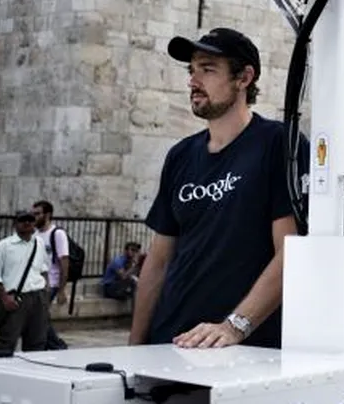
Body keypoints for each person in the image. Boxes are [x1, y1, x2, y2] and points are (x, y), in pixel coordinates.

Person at [129, 27, 309, 350]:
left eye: (208, 69)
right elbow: (157, 262)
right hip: (168, 343)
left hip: (238, 352)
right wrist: (135, 348)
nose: (193, 81)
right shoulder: (180, 156)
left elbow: (291, 253)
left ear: (244, 78)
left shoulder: (279, 145)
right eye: (192, 70)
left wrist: (234, 327)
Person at [0, 210, 51, 356]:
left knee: (37, 339)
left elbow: (42, 268)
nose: (27, 223)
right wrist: (5, 298)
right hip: (16, 298)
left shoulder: (39, 243)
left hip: (37, 296)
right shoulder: (4, 246)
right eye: (23, 220)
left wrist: (46, 288)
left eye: (30, 220)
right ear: (15, 224)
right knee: (7, 339)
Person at [31, 199, 70, 350]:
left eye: (38, 214)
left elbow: (64, 262)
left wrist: (61, 289)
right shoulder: (35, 234)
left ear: (47, 215)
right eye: (33, 214)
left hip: (51, 283)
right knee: (39, 316)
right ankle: (53, 344)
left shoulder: (57, 234)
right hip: (36, 282)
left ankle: (55, 344)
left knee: (38, 316)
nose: (34, 217)